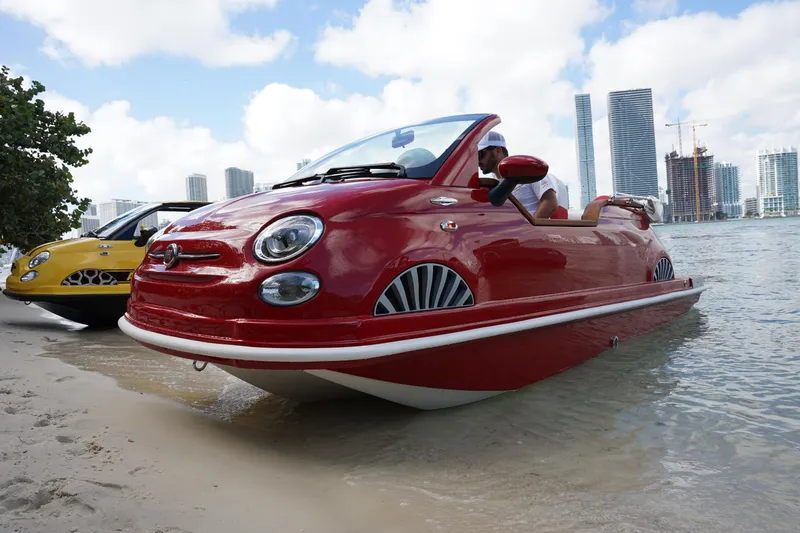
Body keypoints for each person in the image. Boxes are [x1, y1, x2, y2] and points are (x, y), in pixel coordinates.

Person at [477, 131, 568, 219]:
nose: (478, 161)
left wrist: (528, 230)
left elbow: (550, 203)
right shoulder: (493, 183)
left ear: (498, 151)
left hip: (527, 234)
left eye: (481, 155)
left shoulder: (527, 168)